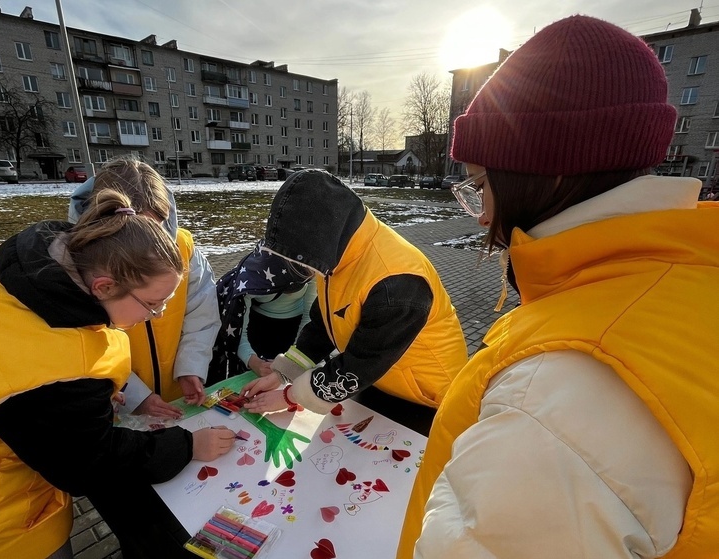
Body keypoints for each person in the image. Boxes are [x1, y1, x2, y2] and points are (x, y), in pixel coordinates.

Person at [398, 15, 719, 559]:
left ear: (547, 173)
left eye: (480, 185)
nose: (480, 217)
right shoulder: (683, 275)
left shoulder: (556, 399)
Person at [0, 187, 236, 559]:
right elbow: (86, 462)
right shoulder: (51, 363)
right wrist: (188, 445)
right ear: (104, 286)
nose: (155, 316)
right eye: (152, 305)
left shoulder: (32, 264)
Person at [240, 169, 468, 415]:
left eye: (301, 258)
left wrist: (290, 395)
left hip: (428, 397)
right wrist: (283, 373)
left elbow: (362, 362)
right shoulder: (340, 251)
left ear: (320, 238)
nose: (302, 268)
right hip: (386, 379)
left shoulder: (397, 281)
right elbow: (324, 324)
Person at [69, 158, 221, 417]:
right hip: (120, 403)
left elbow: (202, 314)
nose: (146, 245)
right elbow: (85, 348)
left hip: (175, 393)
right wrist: (136, 396)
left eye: (155, 231)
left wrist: (190, 367)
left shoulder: (183, 247)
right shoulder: (79, 265)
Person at [207, 241, 317, 383]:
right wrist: (253, 361)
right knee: (249, 381)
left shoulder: (310, 268)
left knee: (290, 381)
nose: (290, 291)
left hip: (295, 330)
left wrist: (293, 360)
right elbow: (236, 329)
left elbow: (310, 319)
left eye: (299, 285)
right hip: (255, 331)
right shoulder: (249, 279)